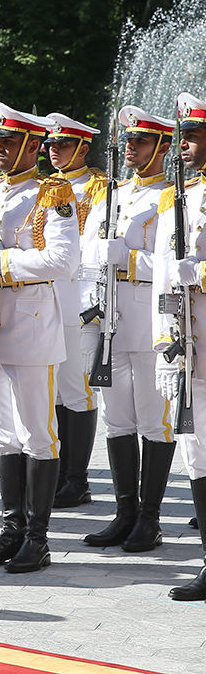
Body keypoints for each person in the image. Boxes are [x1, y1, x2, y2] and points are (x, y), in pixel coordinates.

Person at [0, 102, 77, 573]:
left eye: (8, 142)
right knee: (4, 435)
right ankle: (10, 529)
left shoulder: (53, 192)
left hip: (31, 321)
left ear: (31, 145)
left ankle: (37, 538)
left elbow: (62, 262)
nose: (0, 150)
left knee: (37, 434)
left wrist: (3, 262)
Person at [83, 104, 173, 554]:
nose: (131, 148)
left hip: (147, 314)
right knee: (117, 419)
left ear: (163, 146)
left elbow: (174, 266)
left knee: (153, 420)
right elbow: (85, 256)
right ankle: (123, 512)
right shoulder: (112, 194)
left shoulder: (171, 197)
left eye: (140, 141)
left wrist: (131, 260)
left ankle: (150, 519)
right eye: (128, 141)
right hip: (109, 318)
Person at [154, 93, 206, 601]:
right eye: (182, 136)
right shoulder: (178, 195)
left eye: (192, 136)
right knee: (196, 452)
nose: (183, 144)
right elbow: (162, 284)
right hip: (187, 345)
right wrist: (162, 342)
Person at [46, 113, 106, 509]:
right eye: (50, 145)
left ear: (82, 148)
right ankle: (57, 470)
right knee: (51, 390)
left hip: (81, 301)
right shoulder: (45, 187)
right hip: (46, 299)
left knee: (77, 390)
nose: (54, 151)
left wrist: (93, 299)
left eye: (63, 145)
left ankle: (76, 478)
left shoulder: (99, 187)